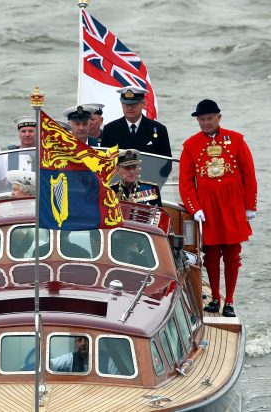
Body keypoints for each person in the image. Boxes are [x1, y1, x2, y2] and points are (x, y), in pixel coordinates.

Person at [179, 99, 257, 318]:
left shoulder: (237, 140)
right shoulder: (190, 145)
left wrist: (249, 206)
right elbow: (185, 182)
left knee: (232, 254)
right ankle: (215, 297)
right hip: (207, 207)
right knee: (211, 254)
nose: (205, 123)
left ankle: (229, 300)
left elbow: (249, 175)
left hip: (232, 205)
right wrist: (194, 208)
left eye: (209, 119)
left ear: (219, 117)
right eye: (201, 120)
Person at [101, 86, 172, 158]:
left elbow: (166, 162)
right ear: (122, 104)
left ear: (143, 104)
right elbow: (104, 162)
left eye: (134, 104)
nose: (129, 108)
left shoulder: (159, 129)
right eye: (126, 104)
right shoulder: (110, 129)